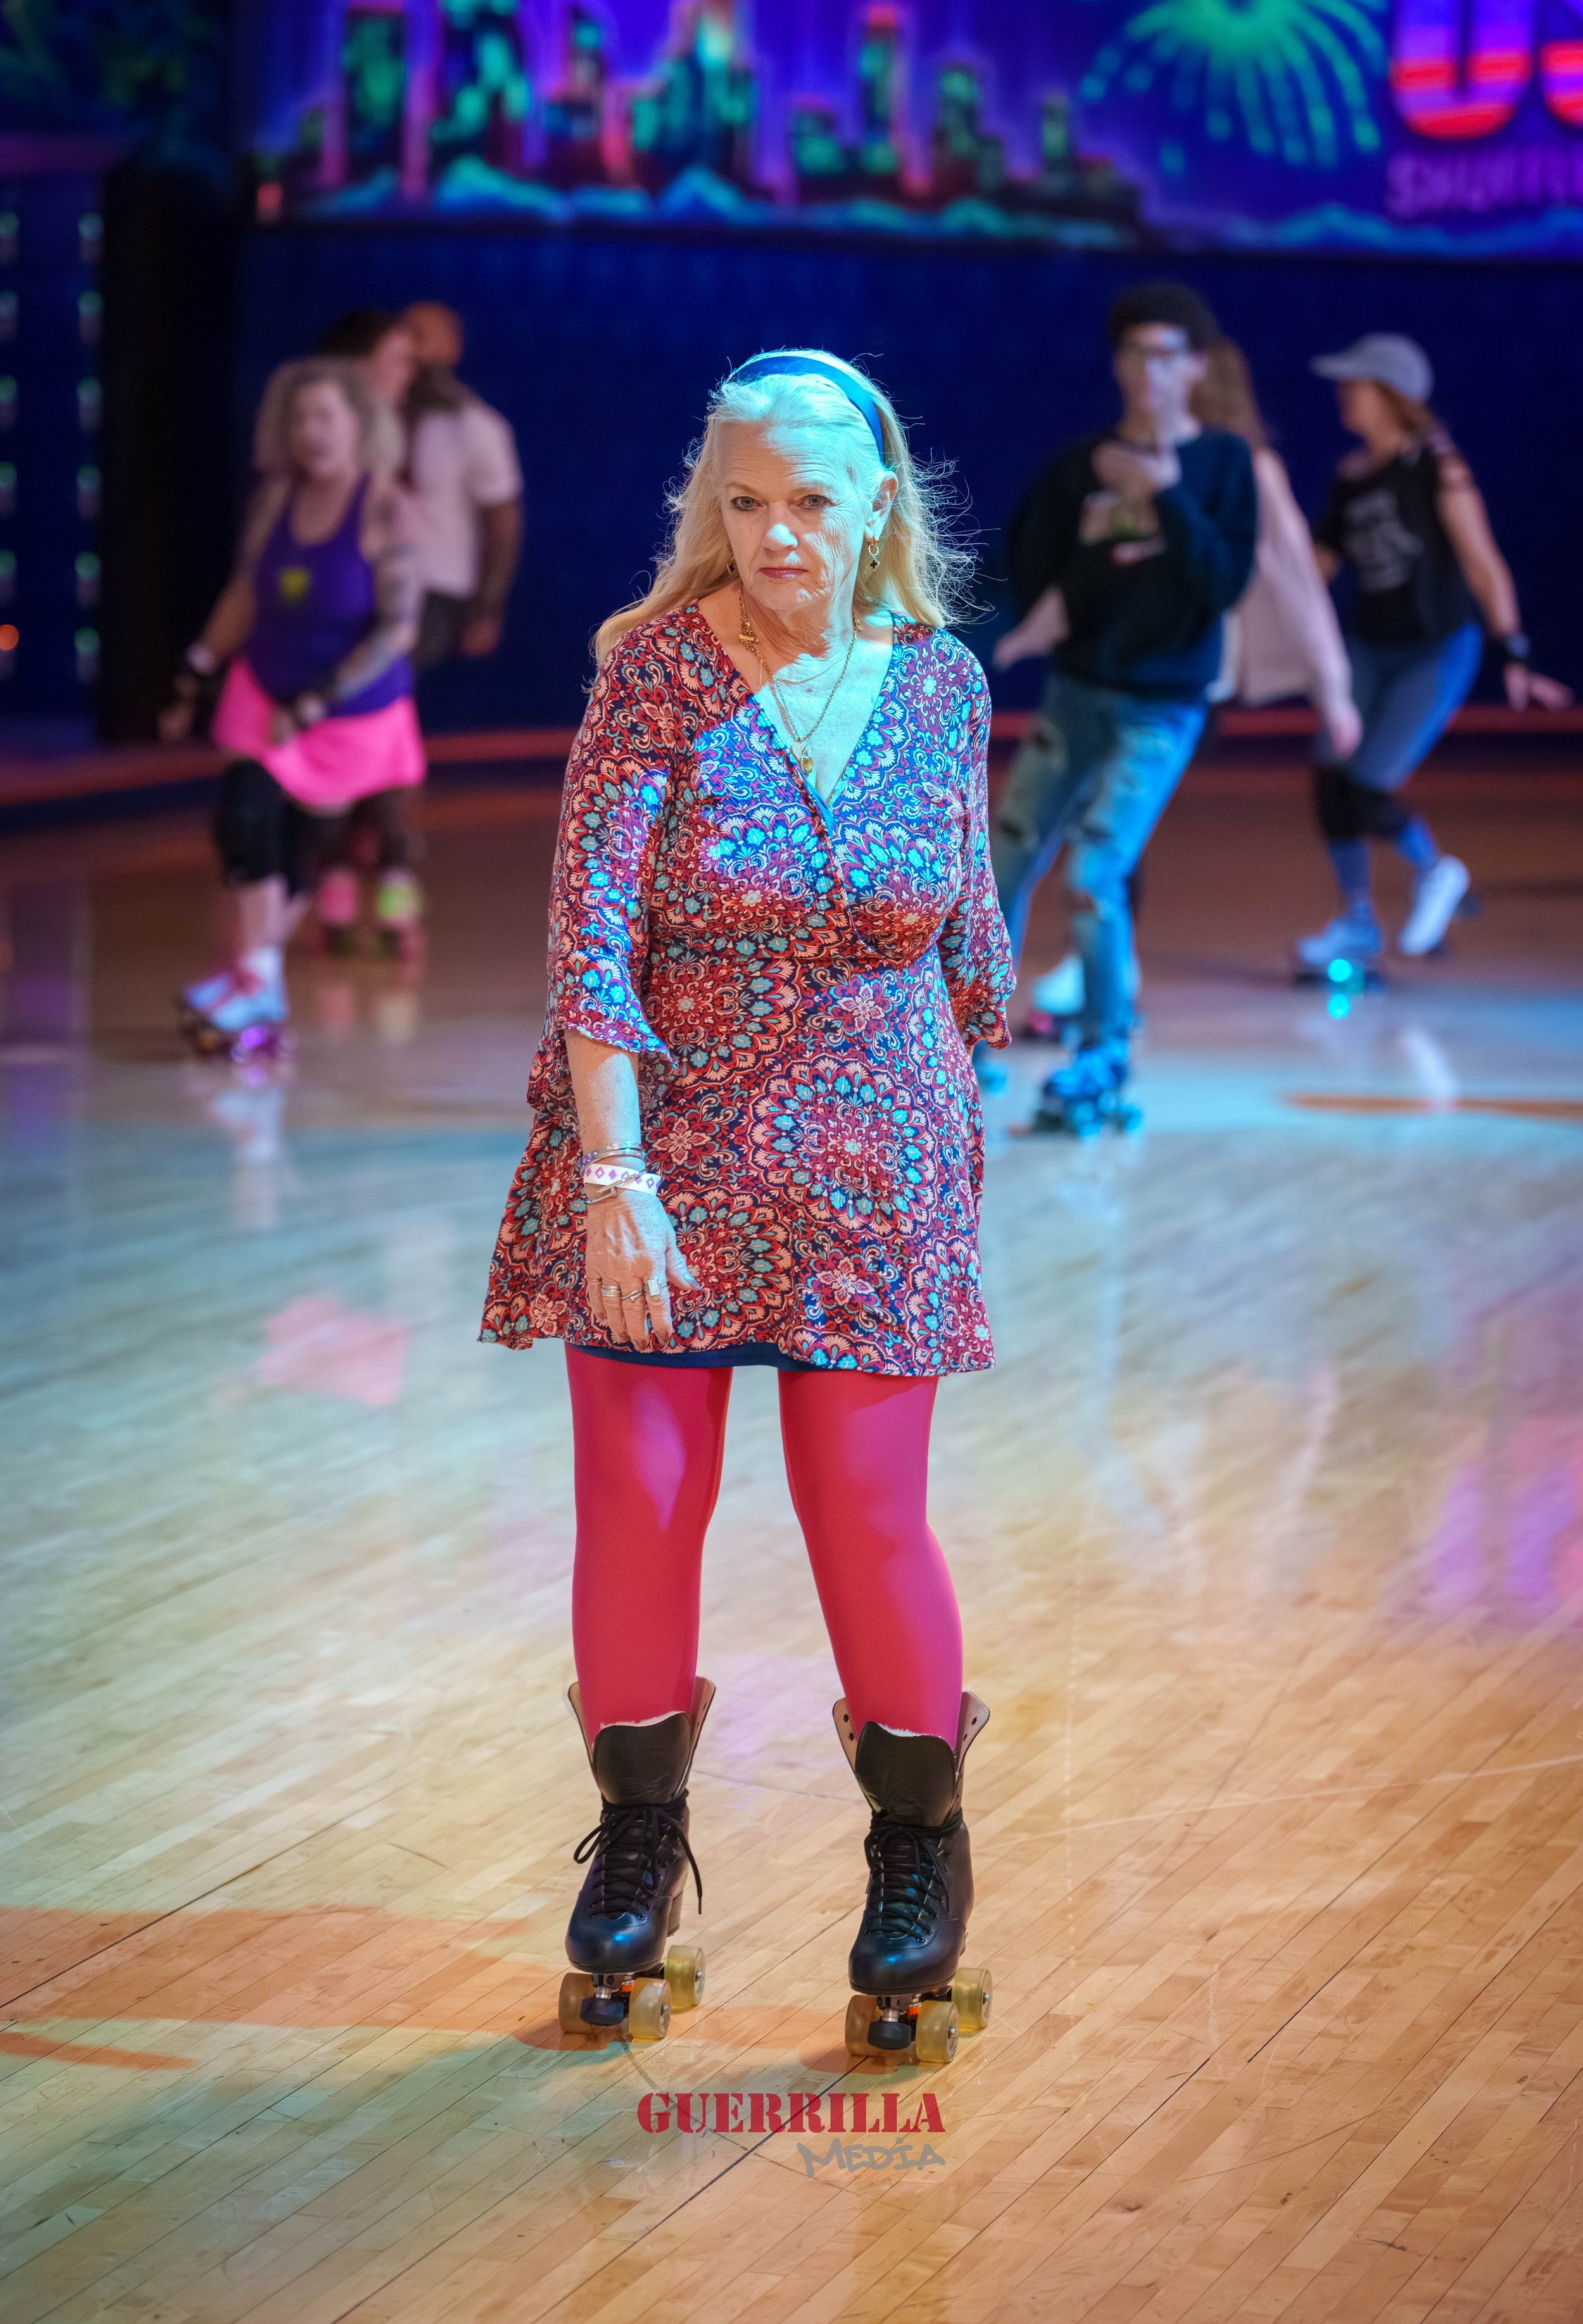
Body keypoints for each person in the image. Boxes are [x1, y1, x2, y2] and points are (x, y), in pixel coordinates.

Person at [481, 350, 1010, 2061]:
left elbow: (972, 955)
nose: (775, 532)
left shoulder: (941, 683)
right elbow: (591, 949)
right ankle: (639, 1835)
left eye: (807, 498)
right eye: (744, 498)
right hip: (667, 1150)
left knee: (866, 1513)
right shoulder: (648, 675)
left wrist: (946, 1141)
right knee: (639, 1501)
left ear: (875, 501)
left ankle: (916, 1848)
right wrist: (613, 1182)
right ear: (713, 504)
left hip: (877, 1161)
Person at [1019, 337, 1362, 1030]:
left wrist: (1332, 687)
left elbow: (1296, 582)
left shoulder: (1241, 468)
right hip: (1131, 668)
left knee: (1103, 821)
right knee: (1097, 819)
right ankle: (1105, 967)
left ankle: (1106, 978)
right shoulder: (1138, 460)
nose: (1147, 386)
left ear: (1197, 381)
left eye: (1166, 368)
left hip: (1186, 679)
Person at [988, 282, 1257, 1131]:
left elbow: (1223, 582)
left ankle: (1104, 1051)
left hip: (1160, 710)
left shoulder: (1224, 464)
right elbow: (1029, 558)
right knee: (1003, 859)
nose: (1152, 372)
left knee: (1096, 871)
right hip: (1079, 694)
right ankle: (961, 1040)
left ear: (1195, 368)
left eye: (1168, 356)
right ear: (1120, 366)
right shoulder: (1081, 465)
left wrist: (1166, 493)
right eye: (1138, 355)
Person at [161, 359, 421, 1055]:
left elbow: (398, 628)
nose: (310, 433)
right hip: (265, 687)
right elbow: (246, 594)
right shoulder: (276, 498)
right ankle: (256, 985)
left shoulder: (384, 506)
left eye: (324, 418)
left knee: (305, 848)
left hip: (350, 709)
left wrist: (316, 703)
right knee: (243, 819)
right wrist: (195, 669)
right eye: (299, 419)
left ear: (357, 426)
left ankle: (253, 982)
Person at [1297, 332, 1570, 970]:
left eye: (1355, 385)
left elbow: (1481, 564)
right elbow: (1317, 566)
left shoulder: (1436, 467)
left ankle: (1435, 872)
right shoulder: (1350, 477)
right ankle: (1357, 921)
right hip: (1369, 648)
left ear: (1392, 395)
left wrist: (1515, 652)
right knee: (1330, 782)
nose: (1343, 395)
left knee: (1368, 786)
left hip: (1435, 649)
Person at [308, 311, 428, 961]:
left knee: (385, 787)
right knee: (327, 792)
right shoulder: (313, 449)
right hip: (320, 639)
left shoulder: (389, 461)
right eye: (396, 361)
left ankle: (391, 897)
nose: (407, 377)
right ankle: (337, 893)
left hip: (380, 637)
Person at [401, 301, 524, 673]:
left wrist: (486, 608)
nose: (411, 346)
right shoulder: (372, 420)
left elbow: (503, 525)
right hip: (370, 578)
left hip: (435, 589)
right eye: (403, 333)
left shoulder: (476, 426)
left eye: (421, 335)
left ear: (452, 347)